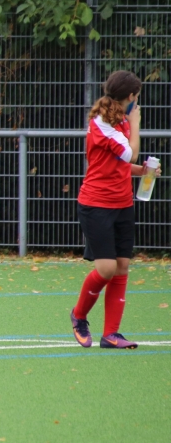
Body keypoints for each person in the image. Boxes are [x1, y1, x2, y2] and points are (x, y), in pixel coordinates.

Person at [71, 70, 159, 350]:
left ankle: (111, 334)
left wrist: (142, 171)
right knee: (107, 268)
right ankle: (79, 315)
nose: (137, 104)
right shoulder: (103, 123)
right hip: (96, 204)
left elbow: (120, 163)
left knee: (121, 267)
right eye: (137, 98)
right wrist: (135, 124)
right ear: (130, 97)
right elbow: (130, 152)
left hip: (123, 204)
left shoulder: (118, 121)